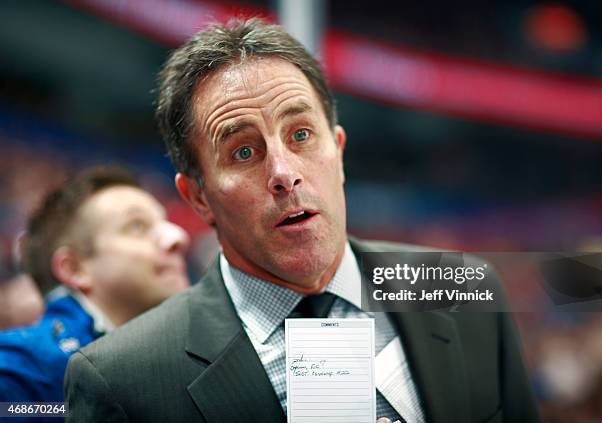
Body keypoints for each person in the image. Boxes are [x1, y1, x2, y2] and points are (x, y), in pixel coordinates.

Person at [64, 19, 539, 422]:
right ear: (199, 197)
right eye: (243, 151)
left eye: (302, 134)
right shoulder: (121, 381)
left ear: (340, 152)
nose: (284, 174)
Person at [0, 166, 189, 402]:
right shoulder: (22, 370)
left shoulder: (179, 358)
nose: (177, 236)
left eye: (165, 221)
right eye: (137, 226)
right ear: (74, 269)